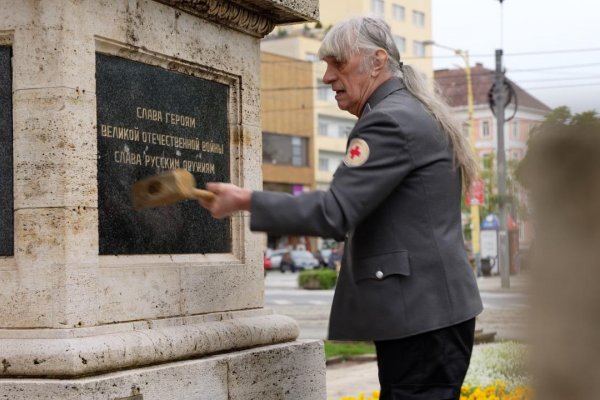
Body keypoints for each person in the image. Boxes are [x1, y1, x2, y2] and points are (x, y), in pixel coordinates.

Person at [199, 16, 483, 400]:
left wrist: (246, 200)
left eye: (338, 63)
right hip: (430, 315)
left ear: (377, 62)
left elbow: (334, 212)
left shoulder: (387, 121)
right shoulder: (410, 111)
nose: (327, 76)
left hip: (422, 320)